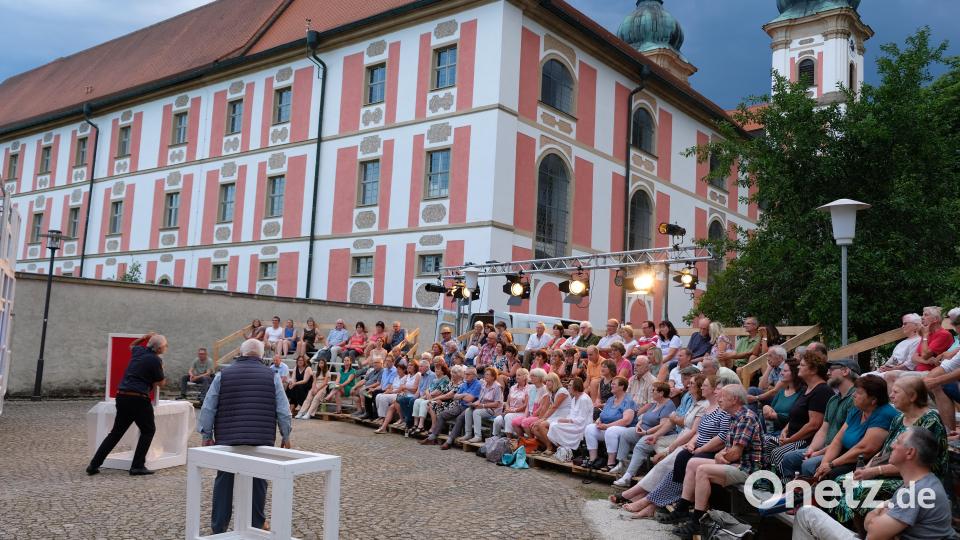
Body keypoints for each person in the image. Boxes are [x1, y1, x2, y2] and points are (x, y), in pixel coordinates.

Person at [196, 338, 292, 535]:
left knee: (224, 479)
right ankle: (257, 522)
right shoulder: (271, 376)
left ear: (241, 353)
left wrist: (207, 434)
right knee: (259, 479)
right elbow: (283, 409)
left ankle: (219, 527)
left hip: (228, 436)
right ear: (261, 354)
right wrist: (286, 434)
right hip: (260, 437)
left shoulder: (224, 374)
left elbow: (208, 406)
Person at [792, 428, 953, 540]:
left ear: (910, 452)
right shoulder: (922, 483)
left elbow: (872, 534)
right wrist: (880, 515)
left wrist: (879, 511)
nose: (891, 445)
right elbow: (870, 525)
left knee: (806, 514)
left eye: (898, 442)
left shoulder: (918, 491)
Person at [829, 376, 947, 525]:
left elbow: (916, 465)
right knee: (841, 481)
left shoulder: (930, 420)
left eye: (896, 392)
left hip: (915, 481)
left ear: (912, 396)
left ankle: (855, 531)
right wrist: (866, 468)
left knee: (857, 490)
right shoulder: (899, 418)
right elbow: (883, 451)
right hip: (890, 472)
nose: (891, 396)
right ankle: (842, 528)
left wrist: (874, 471)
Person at [617, 376, 727, 519]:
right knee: (674, 468)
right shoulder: (704, 407)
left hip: (702, 448)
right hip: (692, 443)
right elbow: (697, 431)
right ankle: (648, 501)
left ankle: (646, 500)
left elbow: (720, 437)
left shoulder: (713, 409)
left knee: (675, 465)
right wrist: (692, 444)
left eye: (699, 384)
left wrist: (692, 447)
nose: (698, 387)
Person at [670, 384, 764, 540]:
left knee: (703, 470)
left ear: (734, 399)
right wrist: (721, 456)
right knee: (693, 463)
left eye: (723, 396)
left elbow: (735, 453)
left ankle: (697, 522)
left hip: (748, 469)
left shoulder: (746, 417)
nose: (718, 399)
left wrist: (723, 457)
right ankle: (683, 508)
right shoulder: (735, 417)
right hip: (734, 464)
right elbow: (727, 450)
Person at [87, 333, 167, 476]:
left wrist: (144, 337)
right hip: (139, 398)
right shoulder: (155, 360)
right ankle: (137, 466)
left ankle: (94, 464)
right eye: (165, 345)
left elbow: (132, 345)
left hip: (122, 395)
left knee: (116, 432)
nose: (166, 347)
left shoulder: (139, 351)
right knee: (148, 430)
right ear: (159, 348)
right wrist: (162, 368)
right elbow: (161, 383)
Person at [613, 373, 707, 488]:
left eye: (692, 383)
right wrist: (644, 427)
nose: (687, 385)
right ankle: (622, 464)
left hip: (683, 438)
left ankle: (633, 477)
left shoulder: (673, 405)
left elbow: (684, 427)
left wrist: (650, 434)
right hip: (667, 433)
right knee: (625, 434)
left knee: (644, 444)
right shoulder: (690, 402)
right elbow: (651, 418)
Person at [780, 356, 859, 479]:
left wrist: (817, 453)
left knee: (807, 464)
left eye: (832, 369)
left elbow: (843, 439)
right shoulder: (833, 399)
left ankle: (808, 494)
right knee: (789, 458)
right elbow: (823, 430)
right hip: (823, 448)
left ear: (845, 371)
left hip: (840, 451)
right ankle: (792, 491)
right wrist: (811, 449)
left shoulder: (856, 399)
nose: (828, 372)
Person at [812, 374, 898, 482]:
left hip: (866, 463)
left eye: (859, 393)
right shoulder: (857, 409)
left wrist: (832, 464)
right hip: (848, 456)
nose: (854, 395)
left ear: (873, 400)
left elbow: (865, 449)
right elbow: (837, 440)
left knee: (833, 473)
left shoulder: (884, 413)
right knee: (818, 467)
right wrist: (825, 463)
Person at [764, 349, 833, 477]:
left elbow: (814, 425)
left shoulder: (822, 391)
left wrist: (790, 440)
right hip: (791, 436)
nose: (799, 367)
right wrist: (785, 430)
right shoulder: (807, 389)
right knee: (764, 442)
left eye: (802, 365)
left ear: (813, 370)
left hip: (805, 440)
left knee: (777, 453)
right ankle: (767, 478)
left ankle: (786, 485)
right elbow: (793, 417)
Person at [609, 382, 675, 478]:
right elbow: (644, 417)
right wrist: (638, 425)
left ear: (661, 393)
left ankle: (628, 475)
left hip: (658, 435)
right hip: (643, 430)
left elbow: (663, 425)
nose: (651, 392)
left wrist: (647, 432)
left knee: (641, 444)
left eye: (653, 390)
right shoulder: (655, 403)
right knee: (625, 434)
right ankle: (621, 463)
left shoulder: (668, 405)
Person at [584, 376, 636, 470]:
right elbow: (603, 414)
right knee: (589, 428)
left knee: (611, 431)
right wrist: (598, 421)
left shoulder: (628, 401)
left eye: (613, 384)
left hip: (624, 429)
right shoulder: (610, 399)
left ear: (622, 386)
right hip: (606, 427)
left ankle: (611, 463)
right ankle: (593, 459)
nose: (611, 386)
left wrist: (607, 426)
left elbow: (626, 420)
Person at [421, 366, 480, 447]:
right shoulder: (465, 384)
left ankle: (449, 441)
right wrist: (464, 394)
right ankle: (433, 437)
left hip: (471, 408)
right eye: (465, 374)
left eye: (468, 374)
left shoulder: (477, 384)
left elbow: (469, 399)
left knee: (459, 418)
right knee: (442, 415)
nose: (466, 376)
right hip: (460, 405)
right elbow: (455, 396)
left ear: (474, 375)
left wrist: (462, 396)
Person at [545, 376, 593, 454]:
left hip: (581, 425)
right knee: (554, 424)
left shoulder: (584, 399)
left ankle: (566, 449)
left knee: (554, 426)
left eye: (570, 385)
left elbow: (582, 419)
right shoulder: (574, 398)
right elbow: (572, 414)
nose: (568, 386)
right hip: (574, 422)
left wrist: (568, 420)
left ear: (576, 386)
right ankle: (563, 448)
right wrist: (566, 420)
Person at [530, 372, 571, 453]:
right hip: (555, 415)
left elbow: (554, 407)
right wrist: (540, 419)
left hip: (564, 416)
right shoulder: (551, 392)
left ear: (555, 381)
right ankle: (551, 446)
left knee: (541, 425)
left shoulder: (562, 391)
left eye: (550, 381)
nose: (547, 383)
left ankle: (549, 448)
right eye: (547, 381)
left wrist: (543, 419)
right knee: (534, 428)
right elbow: (546, 407)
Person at [375, 360, 420, 433]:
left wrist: (404, 388)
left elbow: (414, 389)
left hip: (412, 396)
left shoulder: (418, 375)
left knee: (396, 400)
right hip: (405, 394)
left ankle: (403, 420)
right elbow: (403, 387)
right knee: (391, 407)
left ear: (415, 367)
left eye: (411, 365)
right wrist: (404, 388)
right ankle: (383, 427)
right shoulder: (408, 376)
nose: (409, 366)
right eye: (409, 365)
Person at [759, 357, 802, 432]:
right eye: (782, 370)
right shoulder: (782, 391)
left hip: (787, 432)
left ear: (794, 373)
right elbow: (771, 411)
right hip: (772, 429)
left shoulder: (802, 393)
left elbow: (796, 417)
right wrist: (766, 407)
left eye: (785, 371)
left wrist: (776, 415)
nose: (781, 373)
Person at [410, 360, 451, 435]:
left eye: (438, 369)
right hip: (430, 397)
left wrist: (429, 395)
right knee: (417, 401)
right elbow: (427, 389)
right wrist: (428, 393)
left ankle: (421, 425)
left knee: (424, 402)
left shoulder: (445, 379)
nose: (436, 370)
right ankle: (415, 424)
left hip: (438, 399)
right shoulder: (435, 379)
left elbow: (439, 392)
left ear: (443, 371)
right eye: (435, 369)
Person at [465, 367, 504, 443]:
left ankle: (478, 436)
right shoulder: (484, 384)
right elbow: (481, 399)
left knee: (476, 412)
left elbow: (497, 404)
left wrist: (482, 406)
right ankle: (468, 434)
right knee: (468, 410)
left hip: (493, 410)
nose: (485, 376)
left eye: (488, 374)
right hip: (483, 407)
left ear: (493, 377)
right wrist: (474, 404)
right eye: (485, 374)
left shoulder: (497, 387)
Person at [399, 353, 436, 432]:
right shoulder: (422, 375)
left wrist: (417, 397)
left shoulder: (432, 375)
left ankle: (409, 423)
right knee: (402, 399)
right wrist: (415, 396)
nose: (419, 368)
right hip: (420, 396)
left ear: (427, 367)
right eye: (419, 366)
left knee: (413, 400)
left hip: (426, 397)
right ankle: (409, 420)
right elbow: (419, 388)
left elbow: (429, 390)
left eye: (421, 366)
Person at [912, 306, 952, 372]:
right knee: (890, 375)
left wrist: (924, 336)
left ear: (935, 319)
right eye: (923, 315)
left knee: (891, 375)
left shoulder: (943, 334)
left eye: (926, 315)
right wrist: (926, 361)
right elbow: (913, 358)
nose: (922, 317)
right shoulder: (928, 333)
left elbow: (924, 355)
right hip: (920, 371)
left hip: (932, 373)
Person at [493, 368, 530, 437]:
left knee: (508, 416)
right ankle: (495, 438)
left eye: (519, 375)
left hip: (521, 412)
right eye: (516, 375)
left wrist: (513, 411)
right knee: (497, 420)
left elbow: (526, 405)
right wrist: (507, 409)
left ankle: (509, 439)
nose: (517, 377)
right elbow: (507, 402)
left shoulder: (529, 389)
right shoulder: (513, 387)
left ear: (525, 377)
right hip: (510, 411)